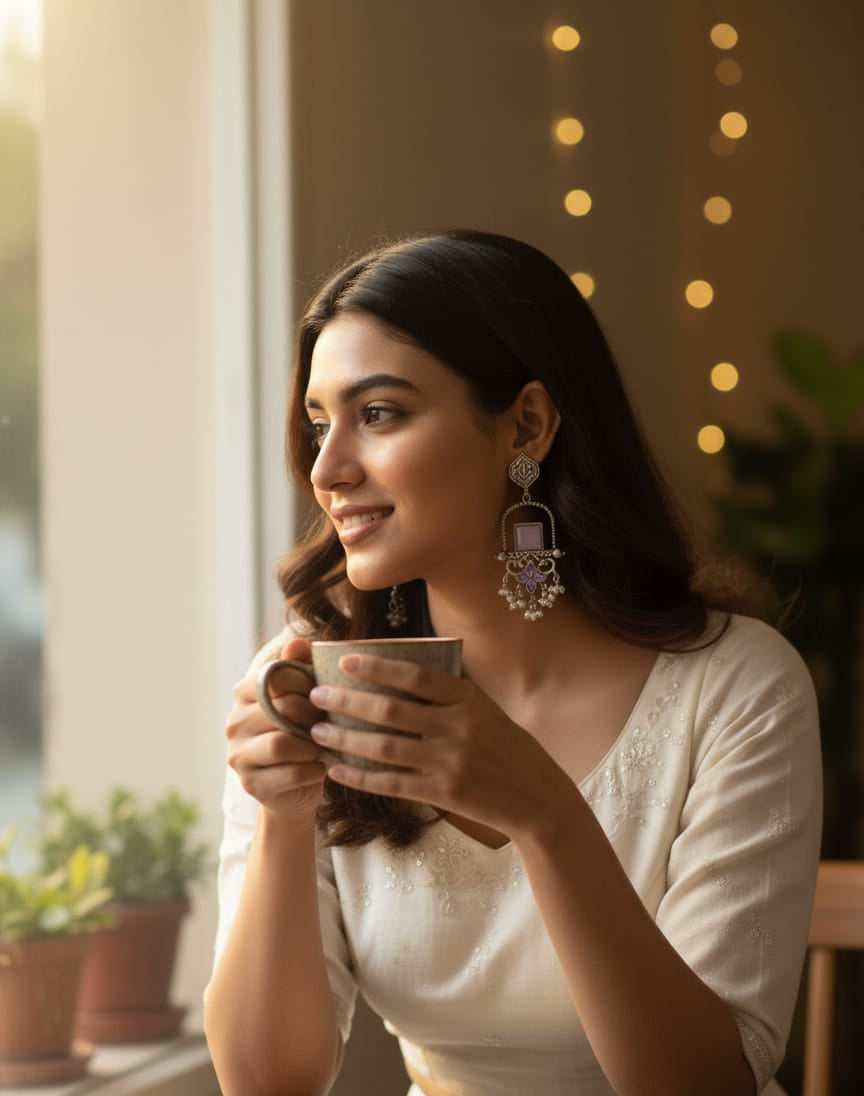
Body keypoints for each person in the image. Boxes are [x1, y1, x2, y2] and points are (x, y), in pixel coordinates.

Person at [203, 230, 822, 1096]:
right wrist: (281, 818)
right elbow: (271, 1083)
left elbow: (705, 1084)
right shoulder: (305, 678)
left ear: (526, 423)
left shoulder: (735, 688)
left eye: (378, 413)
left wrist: (545, 816)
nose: (327, 467)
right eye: (317, 423)